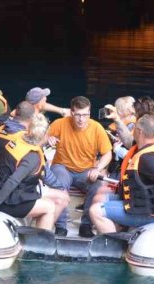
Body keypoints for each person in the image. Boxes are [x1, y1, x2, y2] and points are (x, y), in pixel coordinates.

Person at [90, 115, 154, 234]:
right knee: (98, 197)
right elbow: (127, 139)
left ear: (140, 132)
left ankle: (115, 245)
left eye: (134, 128)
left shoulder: (147, 158)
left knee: (95, 211)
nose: (132, 131)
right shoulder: (147, 145)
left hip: (146, 213)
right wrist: (116, 118)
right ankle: (117, 229)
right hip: (136, 202)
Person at [0, 113, 69, 230]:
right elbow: (13, 181)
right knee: (50, 207)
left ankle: (39, 230)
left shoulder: (19, 138)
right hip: (6, 201)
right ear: (45, 135)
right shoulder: (32, 157)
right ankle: (40, 243)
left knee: (61, 197)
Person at [46, 96, 112, 237]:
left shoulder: (96, 128)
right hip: (62, 166)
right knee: (59, 181)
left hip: (86, 171)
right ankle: (61, 226)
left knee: (98, 184)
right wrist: (48, 139)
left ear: (89, 113)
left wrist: (98, 168)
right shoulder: (59, 124)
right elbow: (39, 140)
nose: (81, 119)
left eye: (85, 115)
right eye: (78, 115)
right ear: (71, 113)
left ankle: (86, 225)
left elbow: (107, 154)